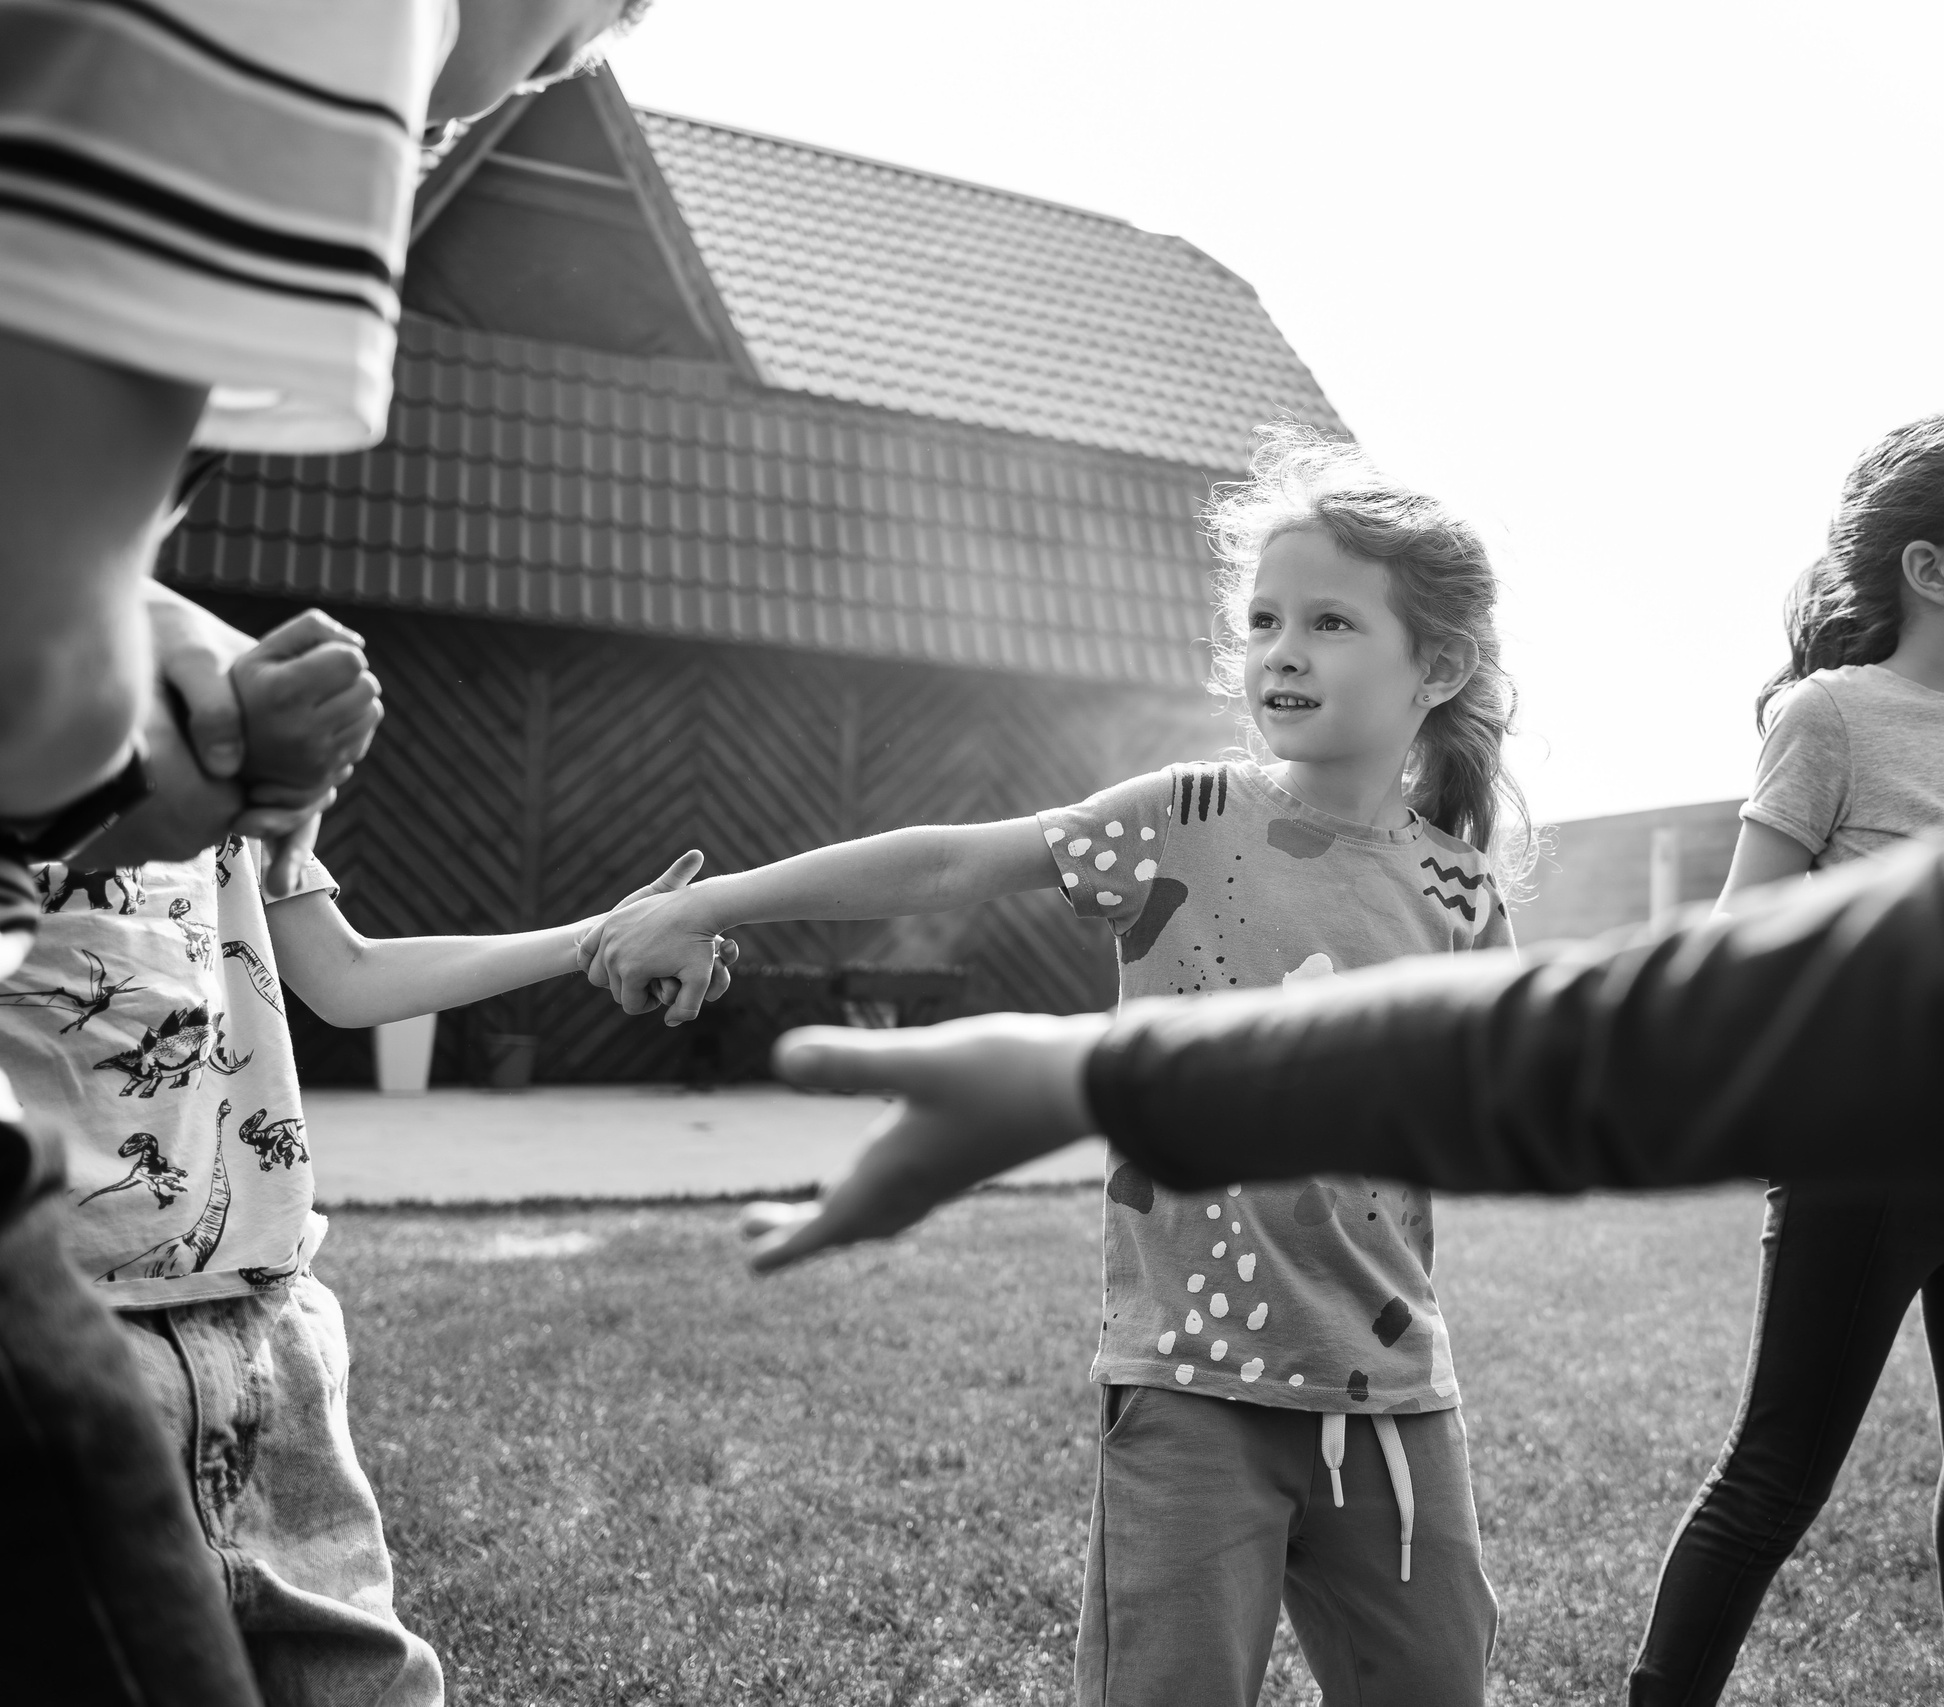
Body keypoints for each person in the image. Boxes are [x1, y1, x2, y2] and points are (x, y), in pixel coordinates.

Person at [715, 2, 1944, 1702]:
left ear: (1434, 670)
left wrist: (1095, 1070)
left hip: (1419, 1377)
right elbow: (1693, 1009)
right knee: (1777, 1469)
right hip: (1361, 1332)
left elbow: (1629, 1023)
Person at [582, 428, 1526, 1707]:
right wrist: (719, 906)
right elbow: (946, 864)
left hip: (1398, 1397)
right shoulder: (1185, 819)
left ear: (1441, 664)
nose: (1280, 651)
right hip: (1189, 1387)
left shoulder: (1460, 893)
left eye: (1329, 622)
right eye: (1260, 620)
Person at [0, 1, 651, 1688]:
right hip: (91, 1298)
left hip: (268, 1317)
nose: (546, 71)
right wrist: (158, 757)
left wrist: (578, 942)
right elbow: (39, 709)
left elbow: (341, 971)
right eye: (572, 32)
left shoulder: (197, 668)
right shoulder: (173, 683)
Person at [2, 760, 733, 1705]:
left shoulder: (211, 746)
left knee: (366, 1682)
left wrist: (596, 935)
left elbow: (345, 974)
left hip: (269, 1325)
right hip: (61, 1344)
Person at [1630, 415, 1944, 1707]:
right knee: (1777, 1472)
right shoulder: (1832, 718)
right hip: (1863, 1161)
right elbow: (1743, 936)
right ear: (1932, 569)